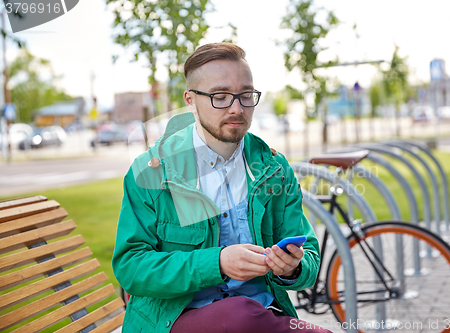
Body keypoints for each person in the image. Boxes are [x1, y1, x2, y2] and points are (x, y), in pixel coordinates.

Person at [112, 43, 331, 332]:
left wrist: (292, 267)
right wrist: (217, 263)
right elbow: (131, 267)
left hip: (259, 314)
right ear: (190, 100)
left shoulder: (275, 169)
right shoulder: (152, 171)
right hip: (175, 319)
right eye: (220, 96)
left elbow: (310, 256)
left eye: (245, 95)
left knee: (244, 315)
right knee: (240, 314)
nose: (237, 108)